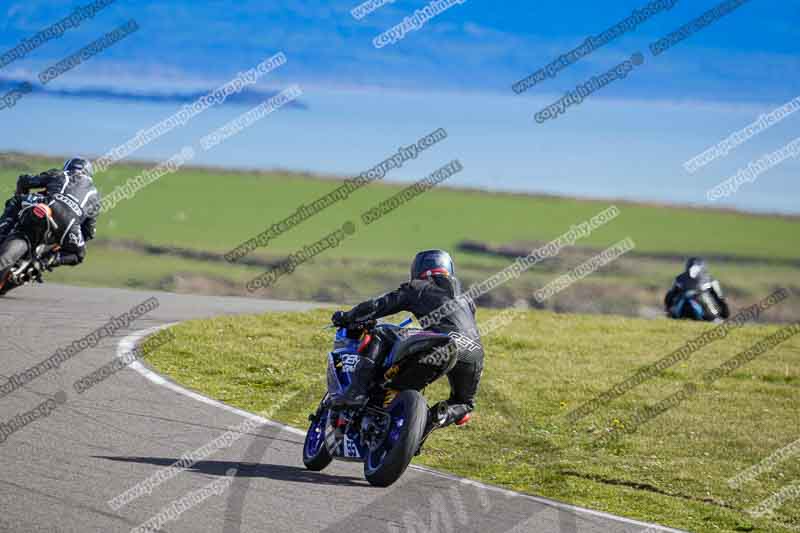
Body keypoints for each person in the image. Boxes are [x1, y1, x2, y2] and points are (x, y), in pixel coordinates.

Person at [331, 249, 483, 430]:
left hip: (441, 342)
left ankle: (356, 392)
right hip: (474, 353)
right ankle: (424, 426)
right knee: (464, 404)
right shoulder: (467, 299)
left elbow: (380, 305)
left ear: (418, 269)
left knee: (381, 332)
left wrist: (348, 317)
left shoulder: (419, 286)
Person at [0, 158, 100, 270]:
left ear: (68, 167)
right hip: (69, 225)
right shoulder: (96, 197)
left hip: (48, 206)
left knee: (16, 201)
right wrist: (72, 238)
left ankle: (2, 232)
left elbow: (24, 181)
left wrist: (22, 196)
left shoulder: (60, 174)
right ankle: (43, 262)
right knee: (78, 255)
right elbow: (89, 233)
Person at [664, 257, 730, 321]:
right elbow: (720, 298)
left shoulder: (679, 278)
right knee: (712, 313)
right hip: (705, 313)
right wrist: (725, 314)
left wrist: (668, 309)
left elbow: (670, 295)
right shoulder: (710, 279)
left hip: (683, 311)